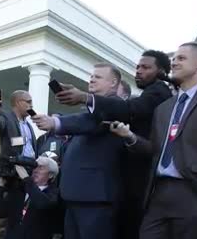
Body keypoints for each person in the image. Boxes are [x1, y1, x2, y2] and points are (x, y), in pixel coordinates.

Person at [52, 50, 173, 239]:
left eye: (146, 67)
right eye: (138, 67)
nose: (139, 71)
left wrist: (86, 98)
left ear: (162, 72)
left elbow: (130, 109)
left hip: (135, 182)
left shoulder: (159, 91)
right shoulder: (146, 94)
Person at [110, 42, 197, 239]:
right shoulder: (164, 108)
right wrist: (130, 137)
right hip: (157, 194)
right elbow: (155, 149)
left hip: (195, 193)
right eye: (173, 59)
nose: (174, 63)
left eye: (181, 58)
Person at [32, 63, 126, 239]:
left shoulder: (116, 105)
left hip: (95, 197)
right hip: (76, 194)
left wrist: (56, 123)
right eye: (91, 76)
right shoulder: (92, 111)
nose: (91, 79)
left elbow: (87, 122)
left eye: (98, 77)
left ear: (113, 83)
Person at [0, 90, 38, 235]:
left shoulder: (28, 125)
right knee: (2, 220)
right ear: (17, 103)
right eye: (28, 102)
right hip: (9, 175)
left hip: (25, 177)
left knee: (16, 221)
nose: (31, 105)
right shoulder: (5, 117)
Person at [0, 156, 60, 239]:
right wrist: (0, 186)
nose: (35, 170)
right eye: (34, 166)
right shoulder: (20, 190)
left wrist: (26, 179)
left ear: (51, 175)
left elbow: (42, 203)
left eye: (40, 167)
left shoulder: (54, 194)